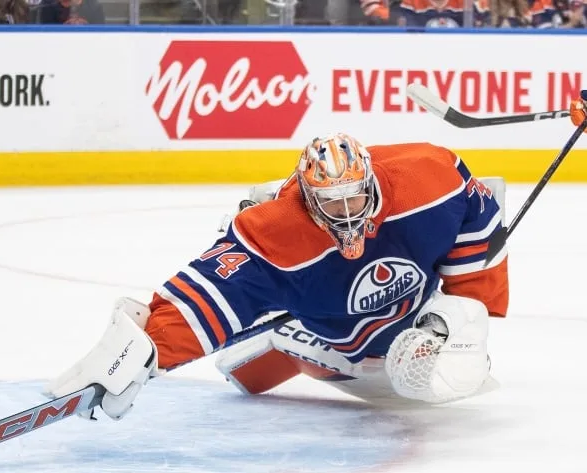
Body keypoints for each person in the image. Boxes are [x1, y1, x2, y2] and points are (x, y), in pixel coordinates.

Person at [44, 134, 509, 420]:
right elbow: (204, 297)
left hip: (405, 313)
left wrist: (468, 313)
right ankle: (286, 339)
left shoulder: (429, 180)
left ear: (370, 182)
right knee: (268, 362)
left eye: (353, 197)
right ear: (307, 196)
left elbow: (478, 215)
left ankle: (299, 341)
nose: (346, 212)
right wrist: (144, 353)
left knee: (440, 359)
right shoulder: (276, 231)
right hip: (330, 329)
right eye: (331, 202)